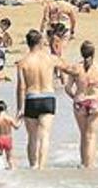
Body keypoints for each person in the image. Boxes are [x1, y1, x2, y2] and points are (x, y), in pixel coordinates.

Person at [15, 29, 73, 169]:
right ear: (41, 42)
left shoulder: (23, 62)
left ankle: (33, 166)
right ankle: (41, 167)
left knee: (32, 137)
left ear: (28, 43)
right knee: (45, 135)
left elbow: (21, 87)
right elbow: (68, 68)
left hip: (31, 98)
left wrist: (19, 108)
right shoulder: (50, 58)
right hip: (48, 98)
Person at [64, 41, 98, 168]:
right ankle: (90, 164)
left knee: (84, 134)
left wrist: (75, 97)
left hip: (80, 102)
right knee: (92, 135)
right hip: (97, 102)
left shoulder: (76, 68)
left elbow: (67, 87)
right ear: (93, 53)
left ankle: (84, 162)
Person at [0, 100, 21, 170]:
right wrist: (20, 120)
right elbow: (16, 126)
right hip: (8, 139)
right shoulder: (9, 118)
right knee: (9, 157)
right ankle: (12, 168)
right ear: (5, 109)